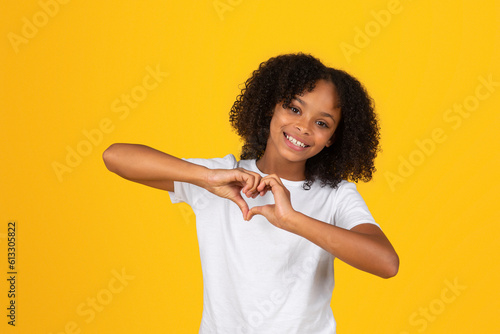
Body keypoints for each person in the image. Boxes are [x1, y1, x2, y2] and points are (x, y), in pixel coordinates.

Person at [103, 52, 399, 333]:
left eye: (321, 123)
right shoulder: (221, 177)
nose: (302, 126)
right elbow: (115, 157)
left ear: (333, 138)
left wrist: (292, 220)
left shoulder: (335, 195)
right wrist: (206, 177)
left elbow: (386, 263)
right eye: (294, 109)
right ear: (271, 105)